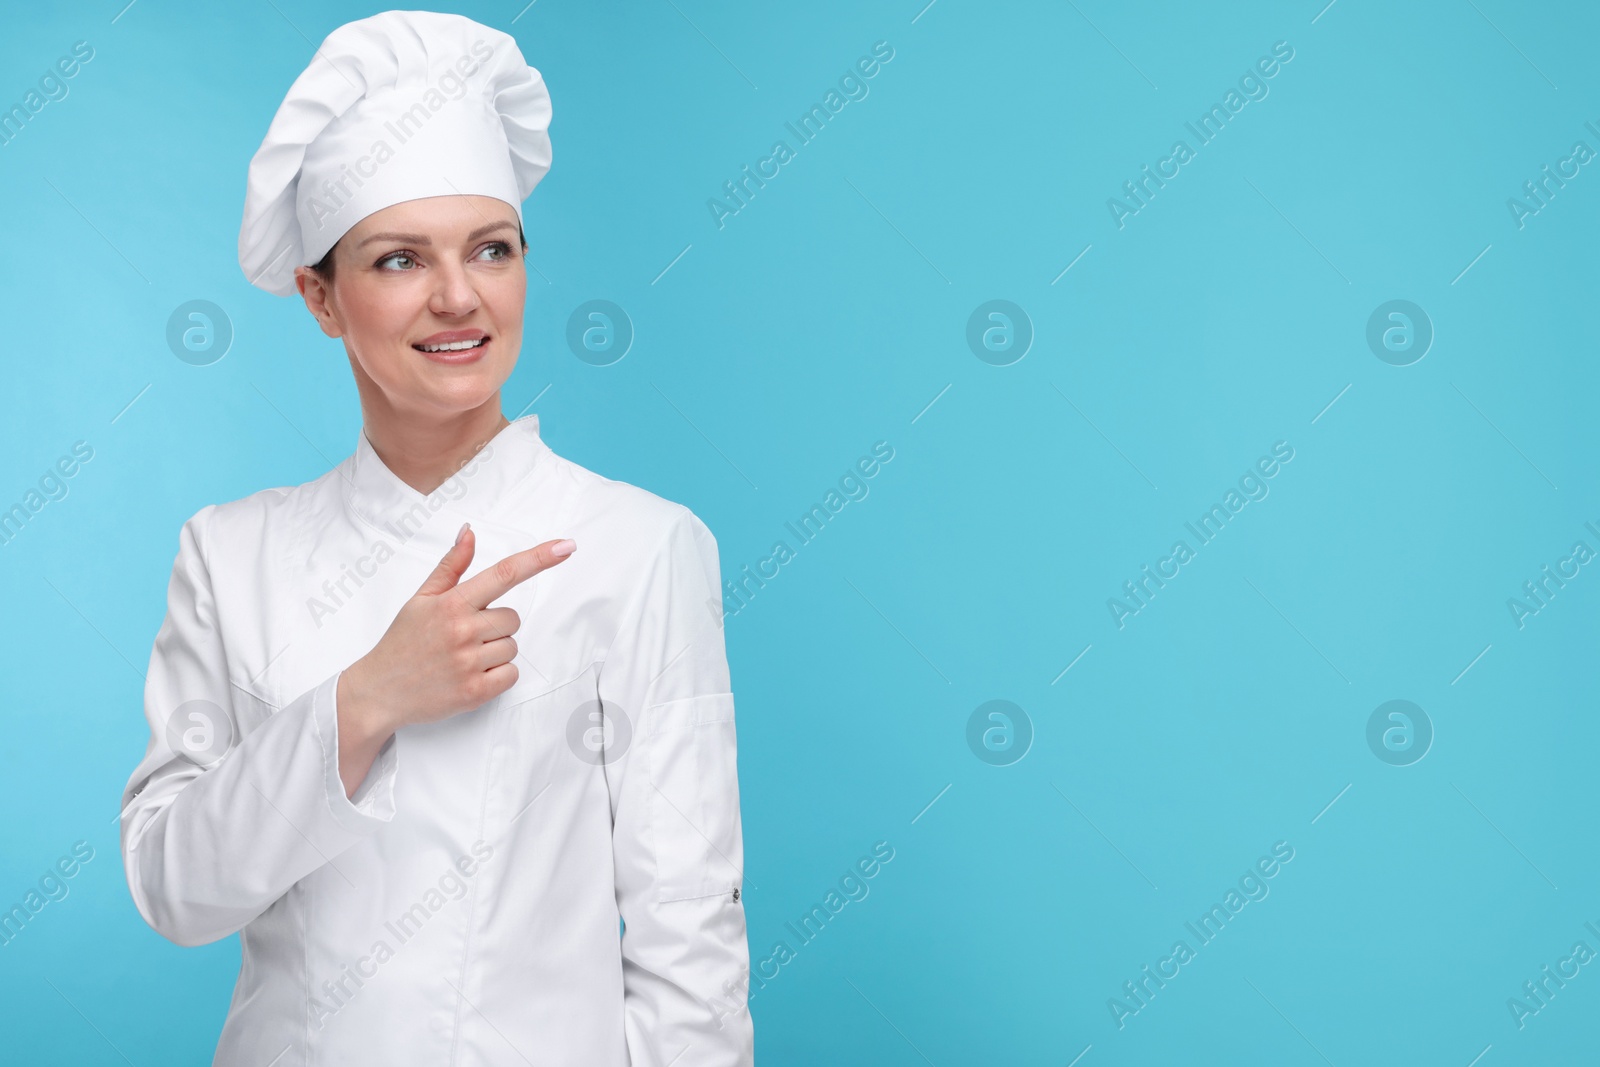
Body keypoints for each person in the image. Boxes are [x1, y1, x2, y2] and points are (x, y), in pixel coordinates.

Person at [117, 11, 753, 1065]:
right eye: (399, 258)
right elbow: (172, 889)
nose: (458, 296)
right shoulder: (230, 554)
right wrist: (363, 700)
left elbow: (692, 938)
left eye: (490, 250)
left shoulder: (640, 546)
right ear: (322, 298)